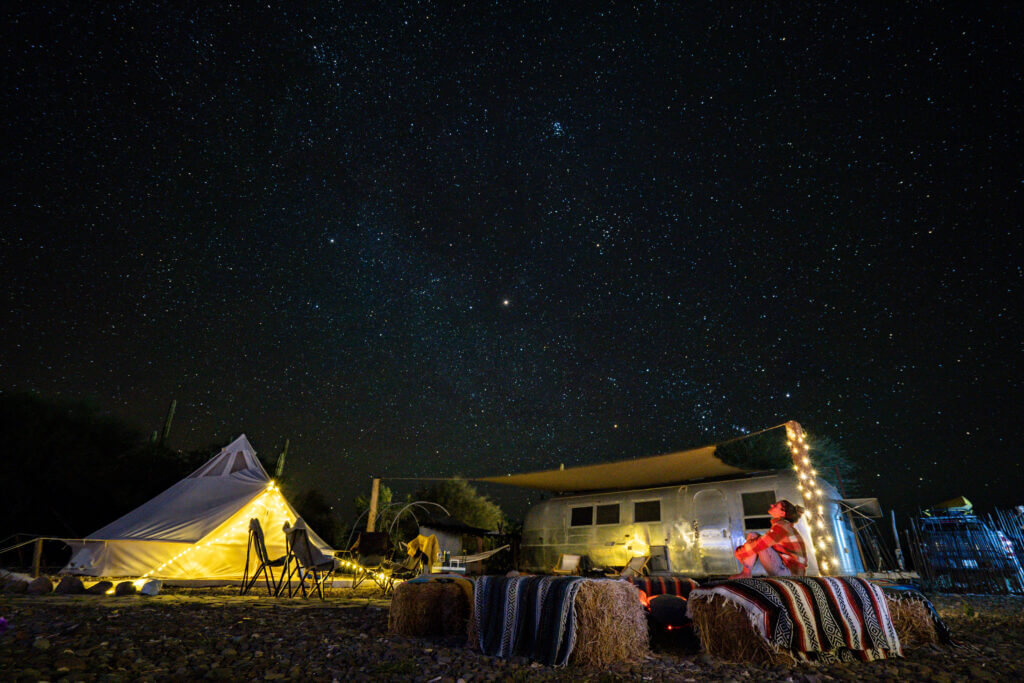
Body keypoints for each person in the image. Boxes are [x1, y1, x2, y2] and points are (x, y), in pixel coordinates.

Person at [730, 499, 808, 579]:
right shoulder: (785, 526)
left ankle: (745, 573)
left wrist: (740, 553)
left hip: (789, 574)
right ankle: (745, 573)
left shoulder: (782, 526)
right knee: (756, 540)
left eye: (775, 506)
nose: (771, 505)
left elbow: (760, 544)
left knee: (755, 538)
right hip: (792, 572)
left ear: (782, 513)